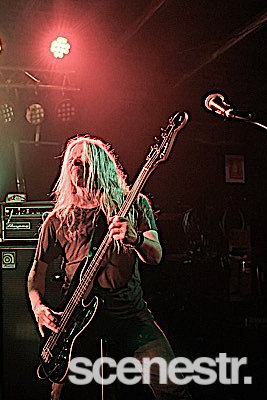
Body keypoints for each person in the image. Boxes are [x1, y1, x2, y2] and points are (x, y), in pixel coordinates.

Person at [27, 136, 191, 399]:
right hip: (77, 325)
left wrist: (135, 239)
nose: (79, 168)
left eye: (86, 163)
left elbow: (156, 254)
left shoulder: (134, 205)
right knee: (60, 395)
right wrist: (38, 308)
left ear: (102, 167)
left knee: (172, 386)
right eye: (74, 162)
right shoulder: (58, 220)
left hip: (129, 315)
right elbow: (37, 273)